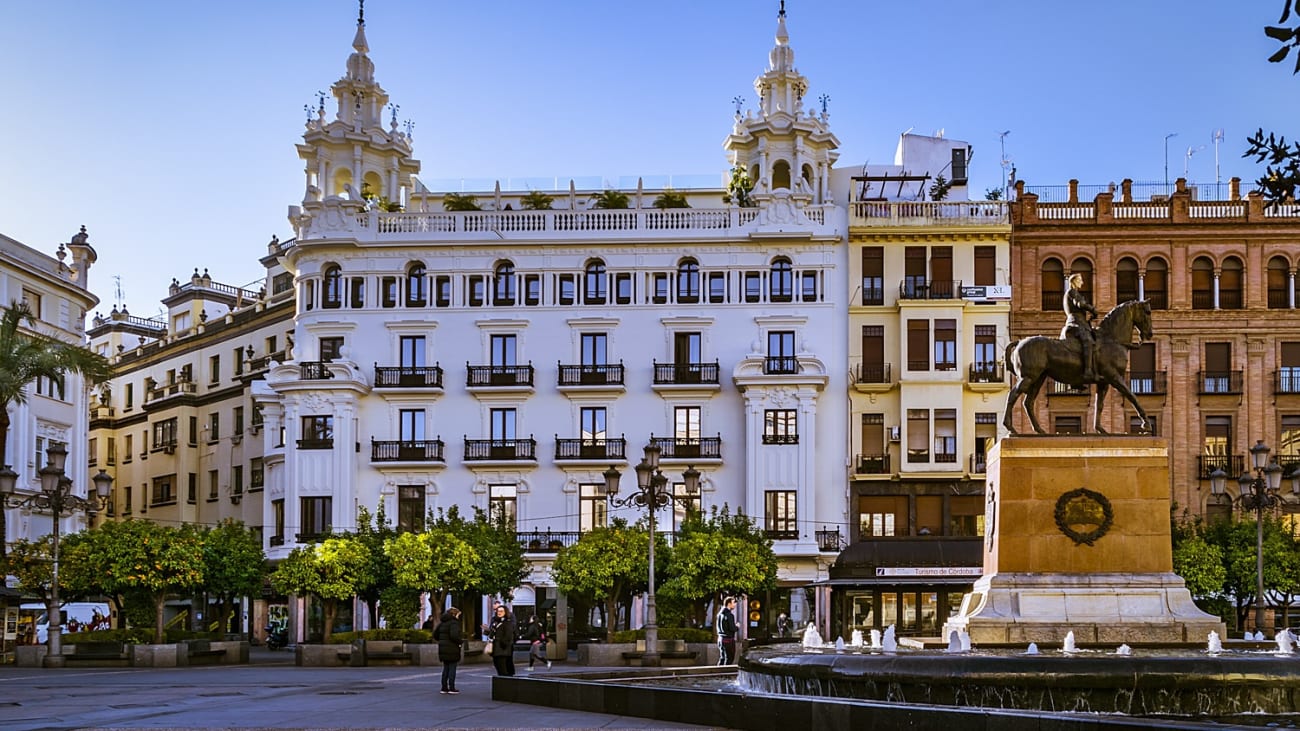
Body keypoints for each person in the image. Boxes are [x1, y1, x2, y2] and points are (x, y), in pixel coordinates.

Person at [1061, 272, 1099, 381]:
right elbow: (1080, 304)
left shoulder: (1072, 292)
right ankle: (1087, 371)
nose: (1082, 282)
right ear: (1074, 282)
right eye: (1080, 280)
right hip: (1075, 322)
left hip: (1080, 322)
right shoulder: (1072, 292)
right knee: (1087, 341)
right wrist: (1092, 309)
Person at [433, 607, 463, 695]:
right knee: (452, 668)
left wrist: (442, 641)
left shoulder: (442, 623)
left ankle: (444, 687)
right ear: (454, 614)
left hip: (443, 648)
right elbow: (454, 636)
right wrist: (460, 641)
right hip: (452, 648)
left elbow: (435, 635)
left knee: (446, 668)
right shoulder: (454, 623)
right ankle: (452, 687)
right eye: (458, 615)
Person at [485, 604, 516, 676]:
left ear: (505, 612)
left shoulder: (508, 623)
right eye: (498, 611)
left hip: (502, 649)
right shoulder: (495, 622)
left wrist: (503, 644)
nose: (499, 613)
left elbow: (508, 635)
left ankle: (505, 683)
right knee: (497, 665)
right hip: (496, 648)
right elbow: (492, 634)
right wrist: (488, 631)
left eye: (501, 611)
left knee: (502, 668)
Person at [716, 596, 738, 665]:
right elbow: (732, 628)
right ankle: (725, 675)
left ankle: (718, 674)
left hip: (720, 639)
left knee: (722, 658)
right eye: (733, 602)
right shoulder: (729, 615)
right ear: (729, 604)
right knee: (729, 658)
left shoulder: (720, 614)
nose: (735, 604)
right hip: (728, 640)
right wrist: (737, 626)